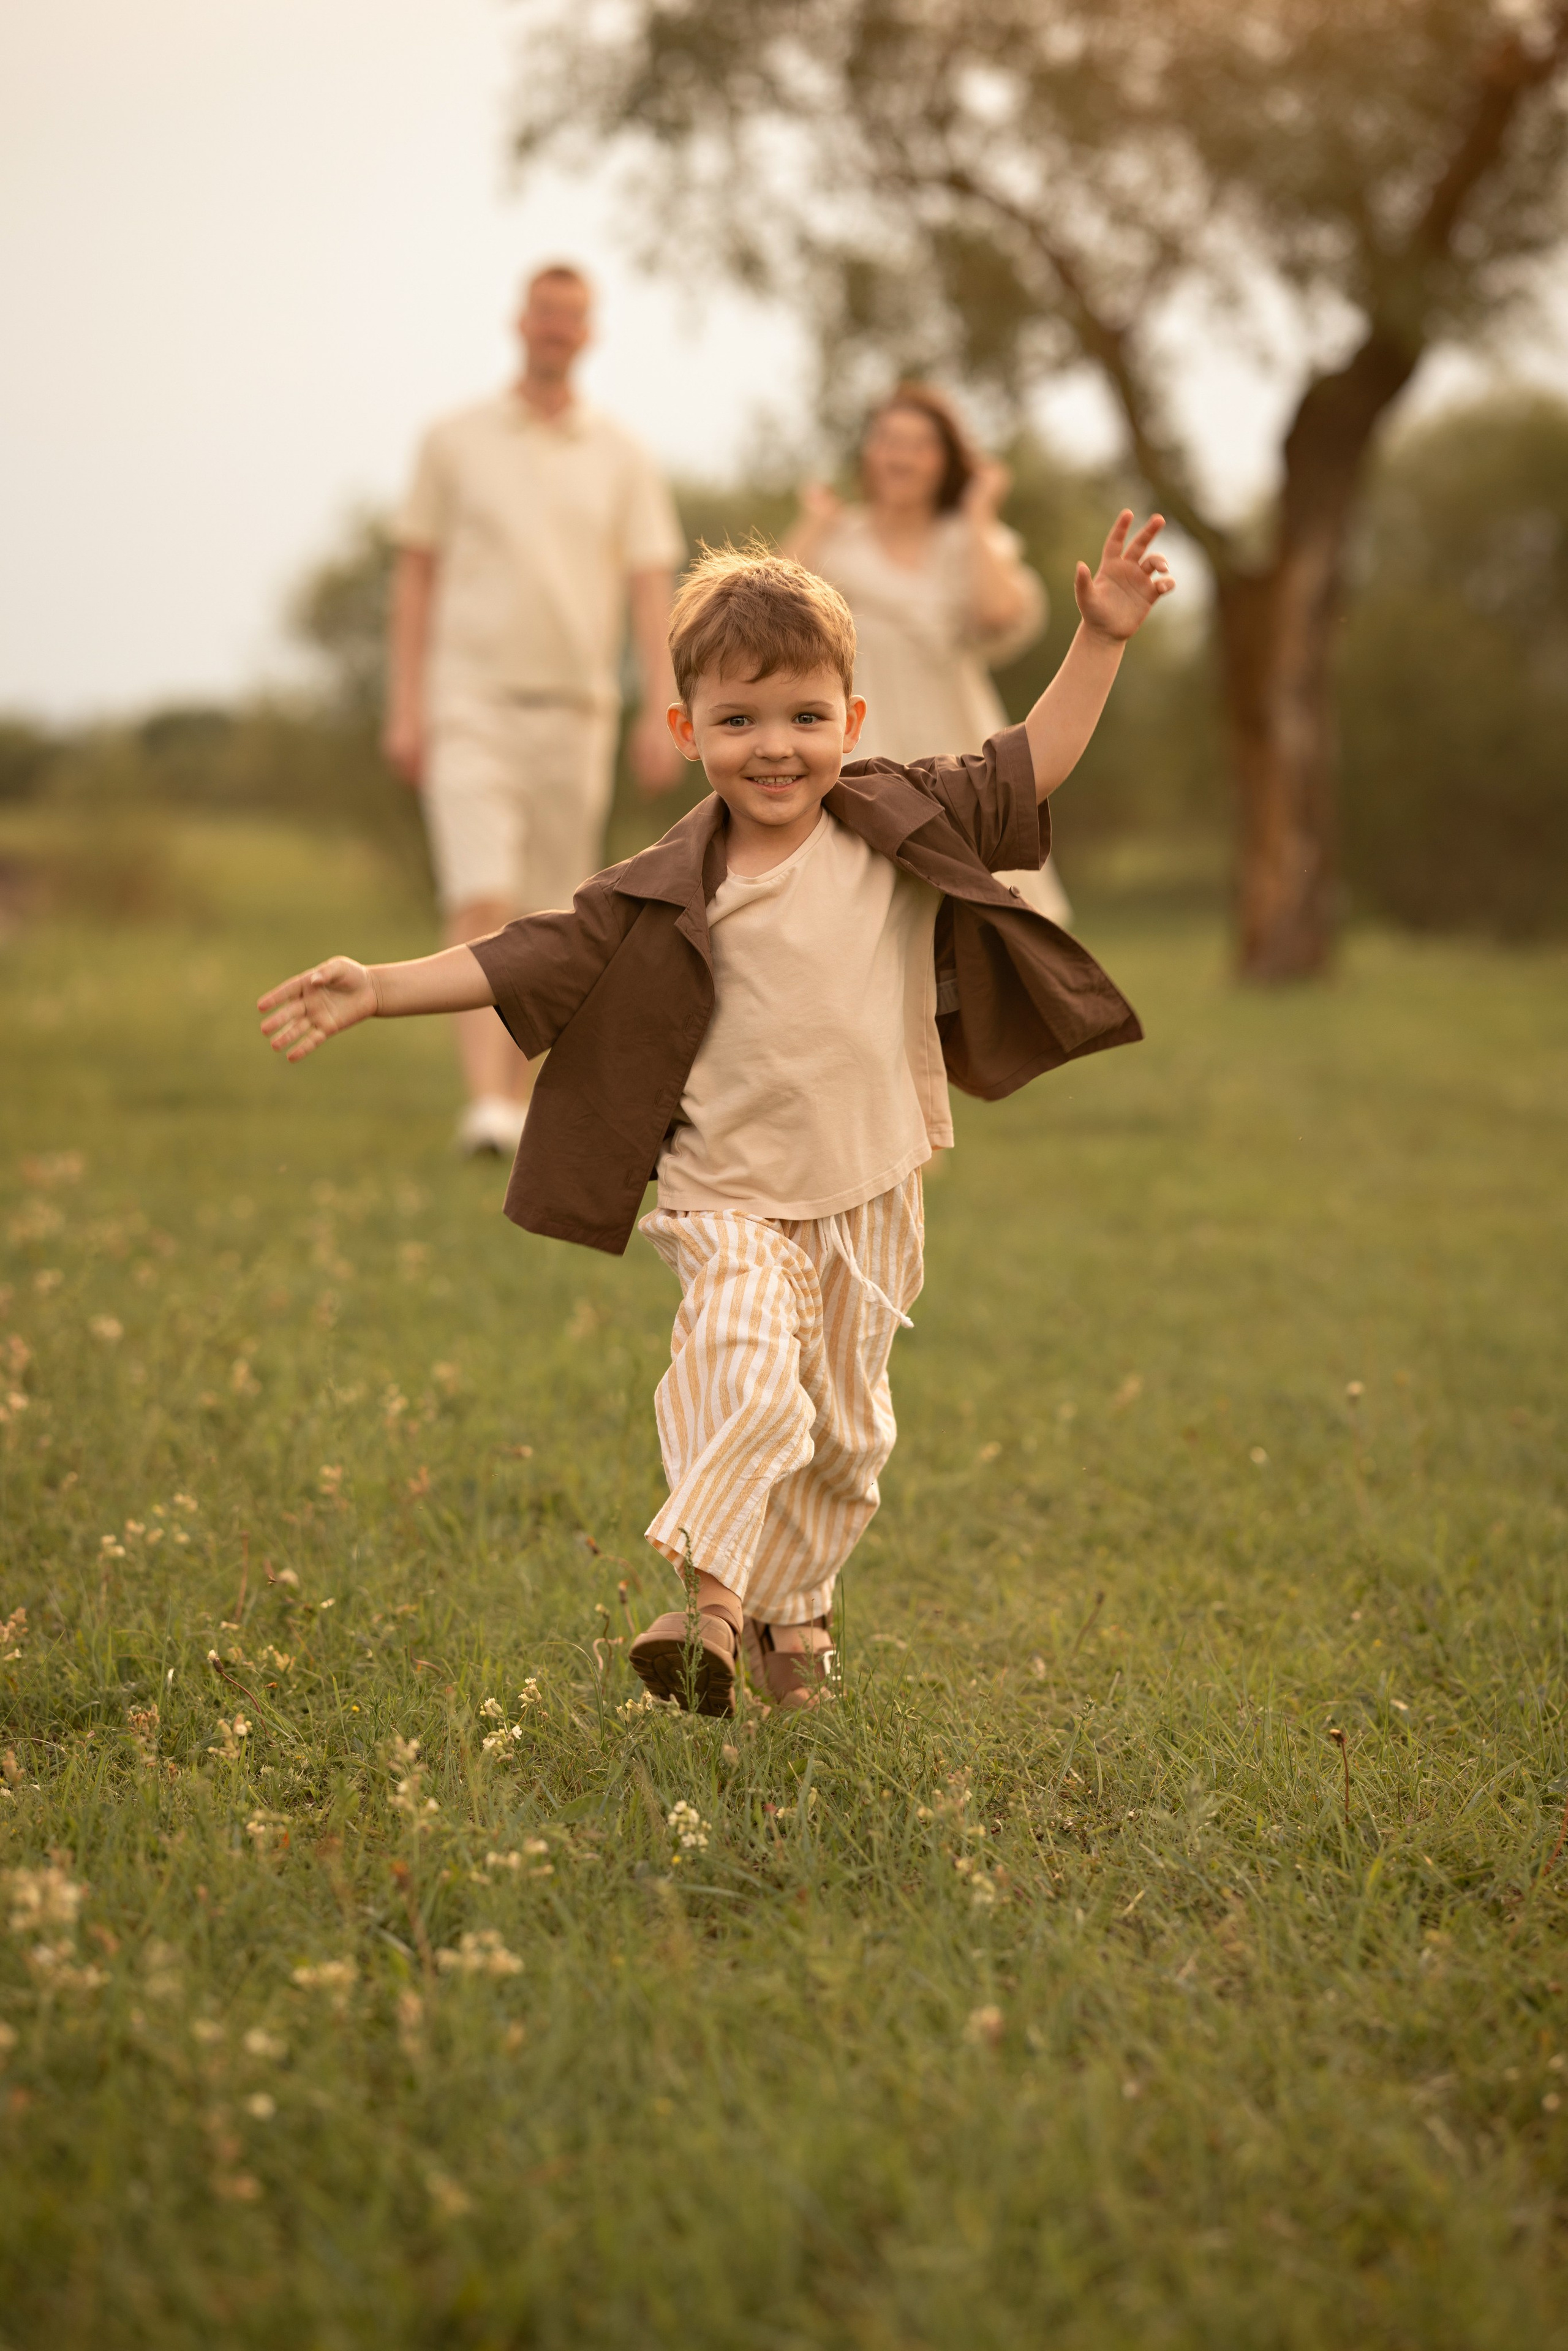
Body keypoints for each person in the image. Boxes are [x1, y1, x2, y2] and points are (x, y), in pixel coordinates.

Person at [260, 513, 1174, 1712]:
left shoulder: (901, 816)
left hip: (868, 1188)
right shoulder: (655, 889)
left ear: (850, 723)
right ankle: (708, 1605)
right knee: (741, 1364)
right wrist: (379, 987)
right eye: (737, 722)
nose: (774, 749)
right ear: (688, 730)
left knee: (844, 1443)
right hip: (725, 1197)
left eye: (803, 717)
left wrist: (1099, 638)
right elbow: (522, 954)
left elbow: (1031, 760)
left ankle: (795, 1612)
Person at [383, 263, 686, 1157]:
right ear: (521, 321)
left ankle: (521, 1103)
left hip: (580, 708)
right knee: (480, 889)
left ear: (590, 333)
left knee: (551, 917)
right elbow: (416, 579)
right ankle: (487, 1104)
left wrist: (657, 707)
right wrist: (406, 708)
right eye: (545, 313)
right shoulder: (453, 439)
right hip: (468, 700)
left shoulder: (624, 453)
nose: (557, 329)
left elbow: (647, 587)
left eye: (573, 318)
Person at [785, 381, 1071, 923]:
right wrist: (815, 524)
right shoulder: (837, 542)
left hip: (954, 737)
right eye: (890, 440)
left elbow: (1000, 613)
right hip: (862, 743)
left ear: (944, 461)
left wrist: (979, 514)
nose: (902, 456)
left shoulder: (966, 541)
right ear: (870, 453)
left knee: (976, 904)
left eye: (920, 445)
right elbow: (770, 608)